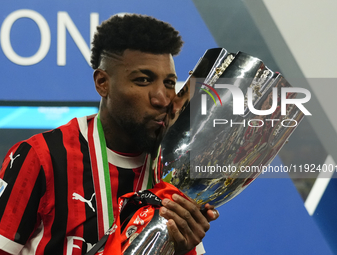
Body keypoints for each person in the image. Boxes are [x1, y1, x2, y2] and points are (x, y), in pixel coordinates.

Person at [0, 14, 218, 255]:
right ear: (102, 82)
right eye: (143, 80)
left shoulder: (171, 170)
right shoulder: (43, 157)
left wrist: (178, 250)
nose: (162, 98)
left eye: (169, 83)